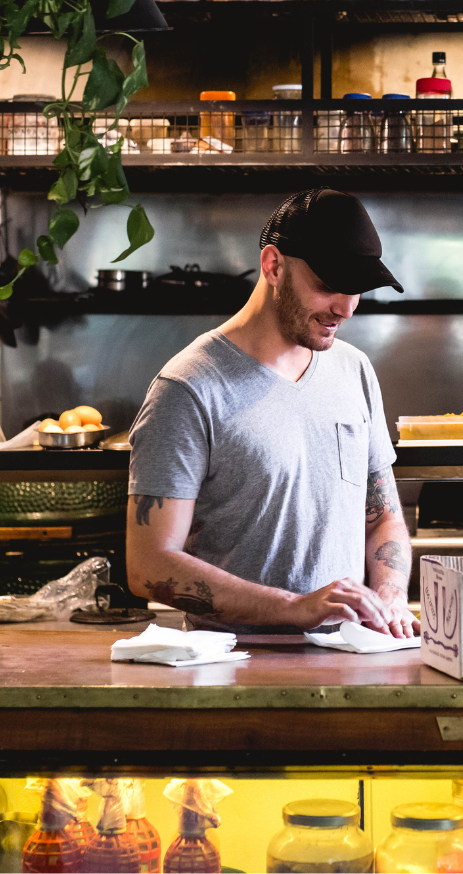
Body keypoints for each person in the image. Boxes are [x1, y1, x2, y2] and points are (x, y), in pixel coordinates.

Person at [126, 189, 419, 637]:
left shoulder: (353, 369)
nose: (345, 308)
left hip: (350, 659)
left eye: (356, 290)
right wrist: (294, 607)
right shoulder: (188, 388)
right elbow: (148, 564)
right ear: (273, 265)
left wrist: (390, 597)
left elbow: (383, 517)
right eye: (327, 286)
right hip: (237, 670)